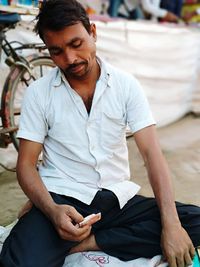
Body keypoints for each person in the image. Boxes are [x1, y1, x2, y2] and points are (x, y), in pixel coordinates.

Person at [0, 0, 200, 266]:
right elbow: (25, 165)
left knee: (193, 223)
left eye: (76, 44)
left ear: (93, 32)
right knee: (16, 261)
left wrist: (172, 224)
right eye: (56, 51)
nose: (69, 59)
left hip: (117, 201)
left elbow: (153, 156)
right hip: (64, 199)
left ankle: (92, 242)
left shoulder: (126, 85)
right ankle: (98, 237)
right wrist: (50, 209)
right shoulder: (39, 93)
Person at [108, 0, 180, 22]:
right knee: (112, 20)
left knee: (140, 21)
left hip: (133, 4)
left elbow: (155, 6)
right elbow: (147, 6)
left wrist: (154, 21)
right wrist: (165, 14)